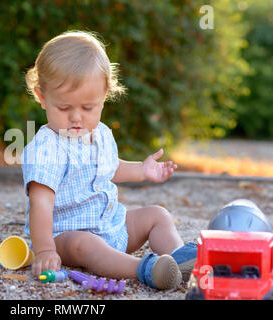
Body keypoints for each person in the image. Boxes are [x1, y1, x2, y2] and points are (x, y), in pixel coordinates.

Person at [21, 30, 197, 290]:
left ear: (104, 96)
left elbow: (110, 168)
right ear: (42, 97)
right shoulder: (47, 148)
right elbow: (41, 205)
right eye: (65, 108)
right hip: (66, 237)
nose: (77, 118)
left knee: (157, 215)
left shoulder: (101, 133)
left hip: (112, 226)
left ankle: (180, 261)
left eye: (88, 107)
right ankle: (143, 269)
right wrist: (46, 249)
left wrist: (142, 169)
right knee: (88, 245)